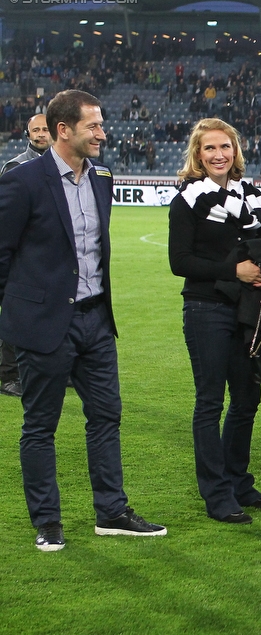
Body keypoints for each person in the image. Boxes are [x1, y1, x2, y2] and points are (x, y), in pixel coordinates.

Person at [0, 89, 166, 551]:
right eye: (93, 125)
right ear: (63, 130)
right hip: (45, 324)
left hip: (96, 321)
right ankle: (48, 521)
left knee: (106, 417)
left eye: (101, 124)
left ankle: (111, 511)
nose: (102, 133)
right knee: (40, 426)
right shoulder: (23, 181)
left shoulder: (102, 178)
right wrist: (16, 318)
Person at [168, 118, 261, 525]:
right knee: (210, 402)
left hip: (247, 310)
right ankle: (216, 493)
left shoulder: (251, 196)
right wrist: (237, 272)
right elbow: (180, 262)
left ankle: (238, 482)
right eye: (210, 148)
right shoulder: (187, 201)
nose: (219, 155)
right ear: (198, 155)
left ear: (236, 152)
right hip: (206, 309)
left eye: (225, 147)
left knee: (247, 398)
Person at [1, 113, 52, 398]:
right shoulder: (16, 166)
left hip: (49, 255)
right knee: (15, 312)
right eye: (36, 130)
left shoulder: (63, 165)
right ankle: (9, 375)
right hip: (20, 254)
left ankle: (56, 370)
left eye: (45, 129)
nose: (41, 134)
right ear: (27, 134)